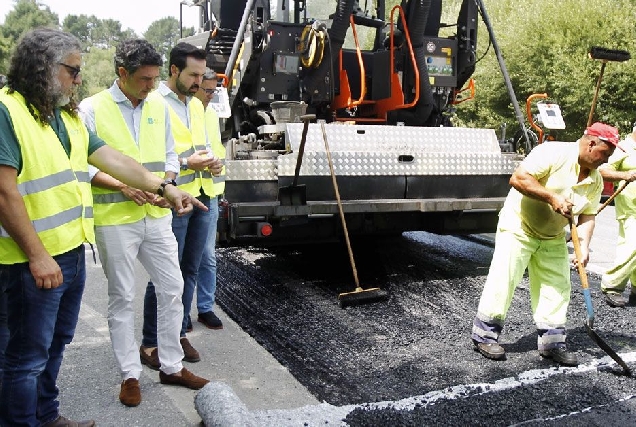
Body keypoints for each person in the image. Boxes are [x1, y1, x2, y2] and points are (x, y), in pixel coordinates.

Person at [0, 28, 205, 426]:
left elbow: (111, 158)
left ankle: (46, 416)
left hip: (70, 249)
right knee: (25, 358)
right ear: (43, 67)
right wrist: (38, 256)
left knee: (55, 344)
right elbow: (5, 192)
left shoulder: (65, 115)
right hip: (31, 259)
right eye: (72, 71)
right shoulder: (8, 111)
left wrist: (165, 187)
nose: (79, 79)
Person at [78, 38, 209, 408]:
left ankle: (170, 364)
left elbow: (170, 155)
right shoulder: (92, 109)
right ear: (122, 73)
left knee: (172, 287)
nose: (152, 86)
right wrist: (124, 186)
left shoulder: (156, 106)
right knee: (122, 296)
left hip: (155, 214)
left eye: (154, 79)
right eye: (145, 79)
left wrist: (164, 185)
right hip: (115, 218)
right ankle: (130, 374)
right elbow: (85, 165)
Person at [471, 122, 620, 367]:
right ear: (591, 143)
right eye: (604, 154)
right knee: (504, 279)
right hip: (519, 226)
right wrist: (551, 197)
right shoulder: (553, 152)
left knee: (557, 285)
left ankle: (552, 342)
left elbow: (587, 216)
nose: (604, 161)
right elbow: (518, 178)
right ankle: (485, 334)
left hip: (552, 235)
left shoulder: (594, 180)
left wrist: (583, 247)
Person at [141, 43, 223, 368]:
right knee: (165, 274)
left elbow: (201, 146)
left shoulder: (197, 105)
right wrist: (189, 164)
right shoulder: (153, 104)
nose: (200, 82)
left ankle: (176, 333)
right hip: (174, 200)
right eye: (193, 75)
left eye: (202, 75)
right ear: (174, 70)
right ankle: (151, 342)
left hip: (202, 195)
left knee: (190, 269)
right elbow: (156, 156)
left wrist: (213, 163)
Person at [192, 67, 226, 330]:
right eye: (207, 90)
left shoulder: (212, 115)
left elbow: (218, 149)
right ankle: (180, 314)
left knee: (207, 256)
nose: (210, 96)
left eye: (214, 91)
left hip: (210, 192)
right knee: (185, 257)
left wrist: (218, 166)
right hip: (187, 192)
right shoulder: (184, 110)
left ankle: (205, 307)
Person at [599, 123, 636, 307]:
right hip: (630, 209)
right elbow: (603, 171)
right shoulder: (623, 148)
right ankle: (611, 285)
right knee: (632, 246)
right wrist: (625, 175)